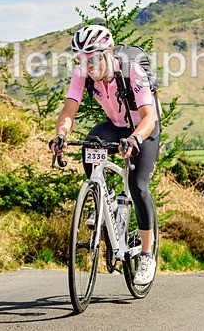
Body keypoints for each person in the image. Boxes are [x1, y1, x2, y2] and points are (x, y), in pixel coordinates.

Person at [49, 25, 161, 286]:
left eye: (93, 57)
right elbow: (68, 110)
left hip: (145, 128)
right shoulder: (82, 73)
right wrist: (62, 134)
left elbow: (148, 116)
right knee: (91, 144)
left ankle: (146, 255)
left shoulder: (133, 70)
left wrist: (136, 138)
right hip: (116, 125)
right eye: (82, 59)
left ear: (108, 52)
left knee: (138, 185)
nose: (88, 65)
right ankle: (105, 198)